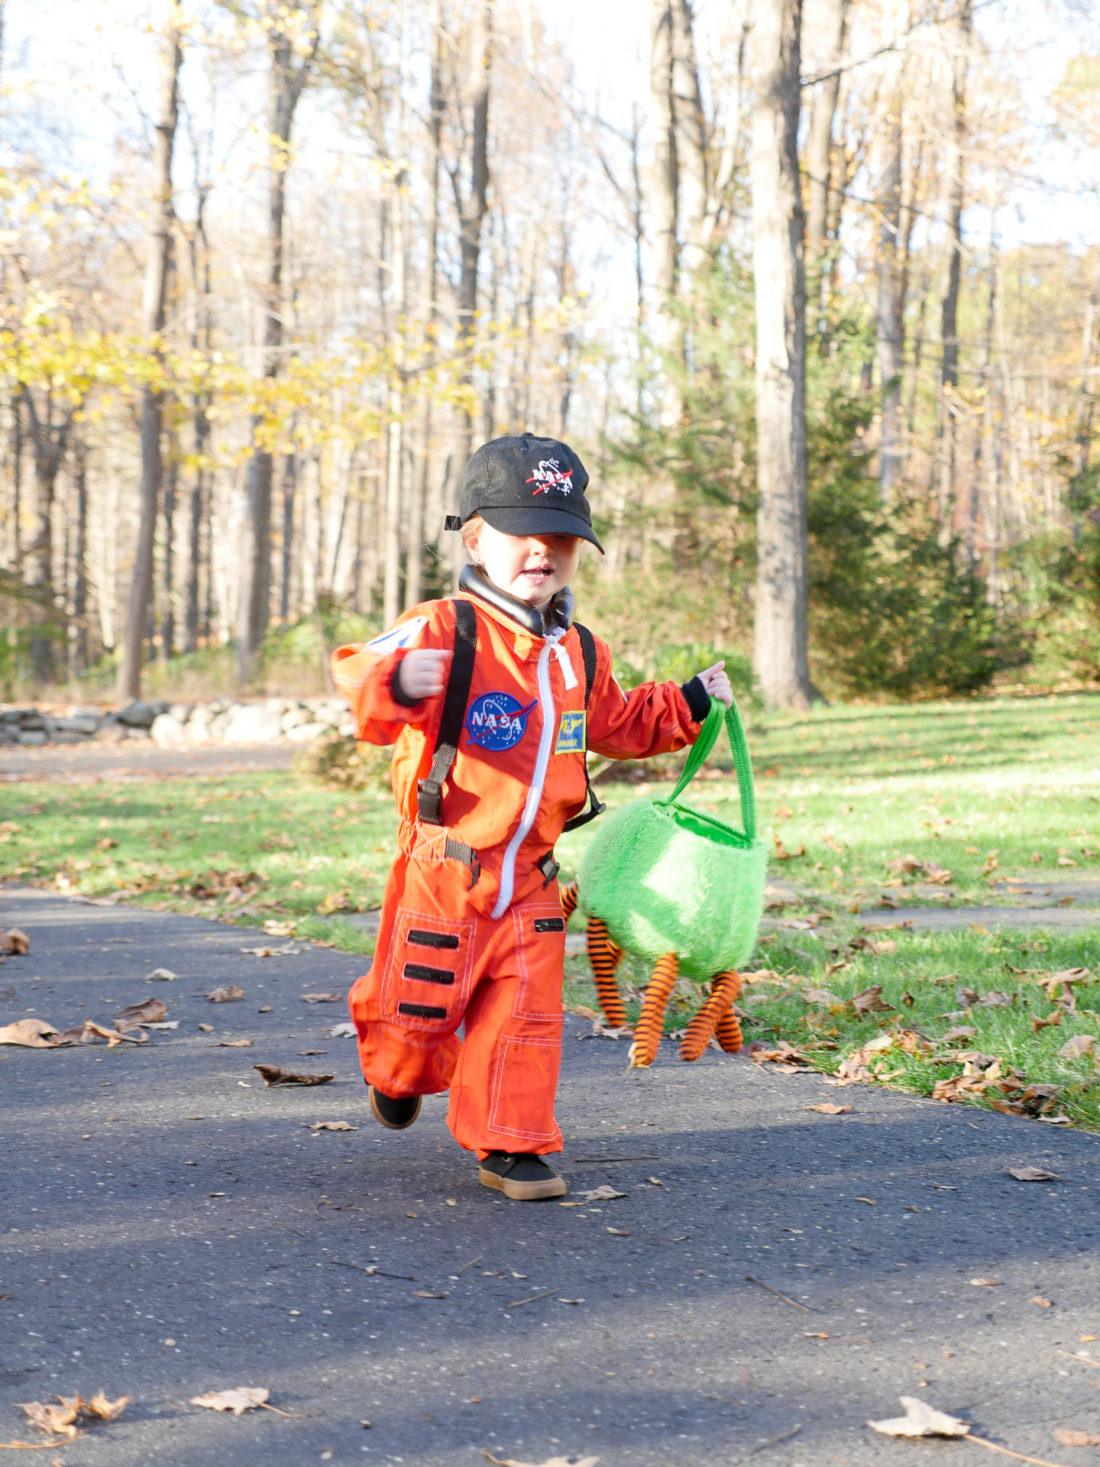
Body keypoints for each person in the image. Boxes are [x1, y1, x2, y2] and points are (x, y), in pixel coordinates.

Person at [331, 434, 732, 1201]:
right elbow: (357, 665)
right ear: (477, 538)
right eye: (525, 534)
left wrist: (691, 701)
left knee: (527, 1015)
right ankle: (397, 1066)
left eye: (562, 538)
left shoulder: (579, 649)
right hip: (442, 870)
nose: (543, 552)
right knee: (417, 1014)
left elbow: (621, 720)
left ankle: (511, 1143)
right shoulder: (446, 628)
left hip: (532, 880)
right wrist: (398, 678)